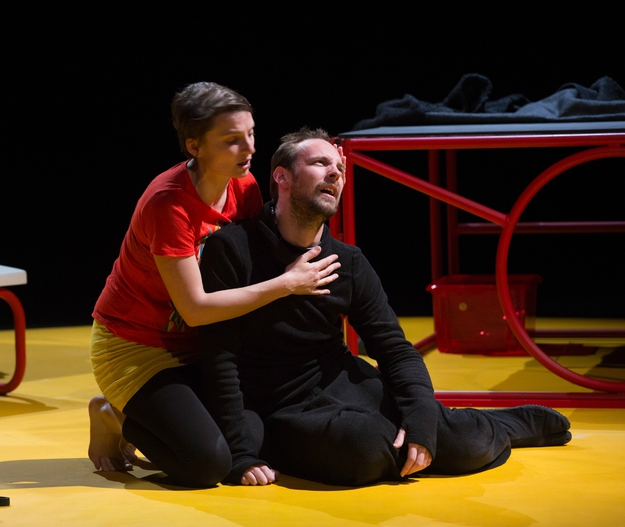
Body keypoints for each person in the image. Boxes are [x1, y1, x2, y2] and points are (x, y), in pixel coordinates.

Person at [198, 127, 571, 487]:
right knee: (366, 447)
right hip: (275, 403)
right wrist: (242, 451)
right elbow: (219, 357)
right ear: (282, 176)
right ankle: (409, 434)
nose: (335, 173)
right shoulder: (233, 249)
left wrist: (423, 421)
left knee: (460, 445)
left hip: (341, 381)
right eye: (320, 164)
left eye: (340, 168)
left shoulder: (348, 261)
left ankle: (502, 425)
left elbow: (394, 348)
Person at [88, 84, 341, 488]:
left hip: (203, 342)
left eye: (251, 134)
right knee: (205, 466)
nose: (249, 148)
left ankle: (157, 413)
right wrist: (287, 283)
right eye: (231, 140)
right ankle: (116, 415)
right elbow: (195, 308)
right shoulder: (167, 204)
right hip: (137, 345)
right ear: (194, 145)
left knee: (259, 433)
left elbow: (256, 262)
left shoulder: (245, 188)